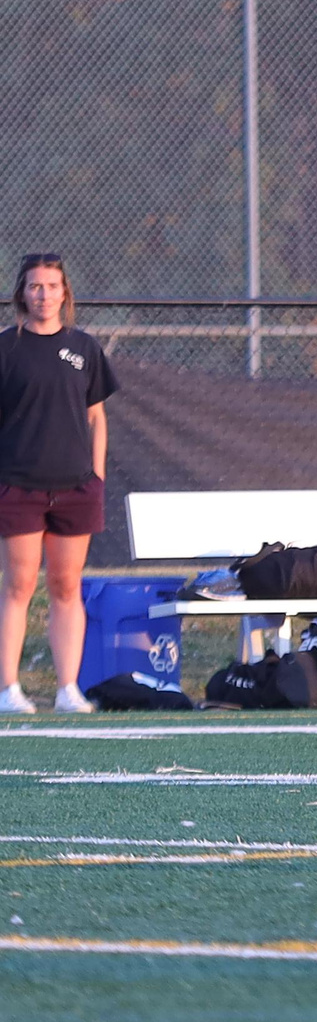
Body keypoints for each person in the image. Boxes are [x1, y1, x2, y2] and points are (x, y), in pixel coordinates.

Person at [0, 254, 118, 714]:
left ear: (65, 293)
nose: (44, 295)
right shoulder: (6, 348)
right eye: (35, 286)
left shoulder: (84, 347)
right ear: (22, 293)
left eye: (52, 286)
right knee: (18, 586)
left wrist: (97, 475)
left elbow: (97, 418)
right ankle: (9, 689)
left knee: (67, 586)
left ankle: (68, 689)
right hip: (18, 486)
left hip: (75, 489)